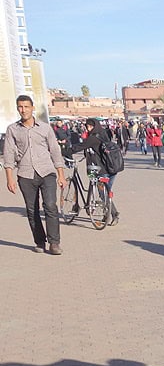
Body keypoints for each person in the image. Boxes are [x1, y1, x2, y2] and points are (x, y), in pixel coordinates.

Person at [3, 95, 66, 255]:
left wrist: (61, 174)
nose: (23, 110)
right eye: (20, 107)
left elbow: (55, 151)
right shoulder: (13, 129)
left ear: (32, 108)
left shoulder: (45, 128)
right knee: (32, 210)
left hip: (47, 172)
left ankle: (54, 243)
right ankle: (39, 241)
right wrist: (9, 177)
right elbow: (8, 154)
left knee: (50, 206)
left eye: (26, 106)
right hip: (25, 174)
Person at [69, 118, 120, 225]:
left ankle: (114, 214)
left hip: (99, 170)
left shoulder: (93, 138)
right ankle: (106, 214)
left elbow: (78, 147)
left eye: (90, 127)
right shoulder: (104, 134)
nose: (88, 129)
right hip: (112, 169)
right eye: (87, 126)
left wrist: (63, 150)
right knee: (105, 192)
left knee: (103, 193)